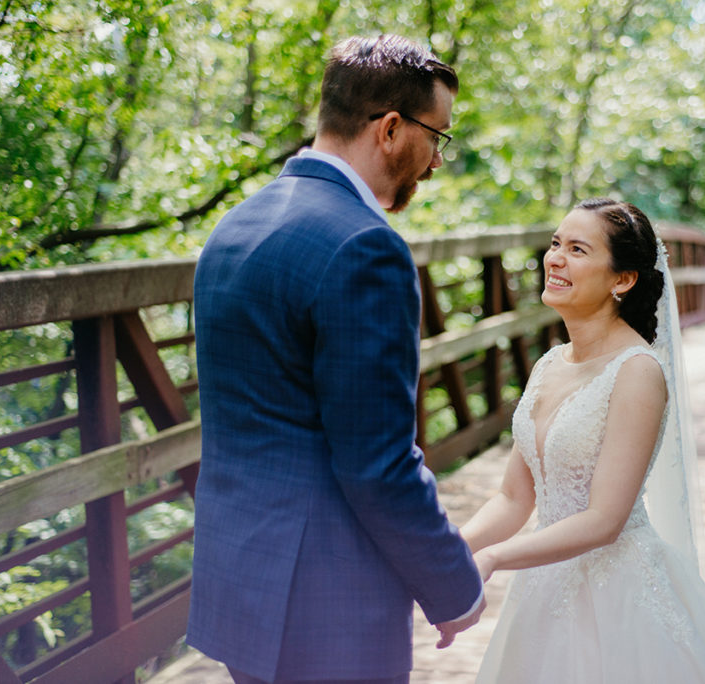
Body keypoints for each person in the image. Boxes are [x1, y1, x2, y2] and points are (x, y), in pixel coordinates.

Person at [187, 34, 485, 684]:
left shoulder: (233, 227)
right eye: (439, 137)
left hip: (242, 575)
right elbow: (377, 464)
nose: (438, 161)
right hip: (328, 600)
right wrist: (453, 584)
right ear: (390, 129)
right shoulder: (364, 247)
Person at [460, 198, 705, 682]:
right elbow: (513, 496)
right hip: (545, 581)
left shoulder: (637, 372)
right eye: (555, 244)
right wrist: (451, 550)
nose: (555, 259)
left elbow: (605, 520)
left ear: (622, 279)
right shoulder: (549, 365)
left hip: (619, 595)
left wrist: (496, 558)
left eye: (578, 249)